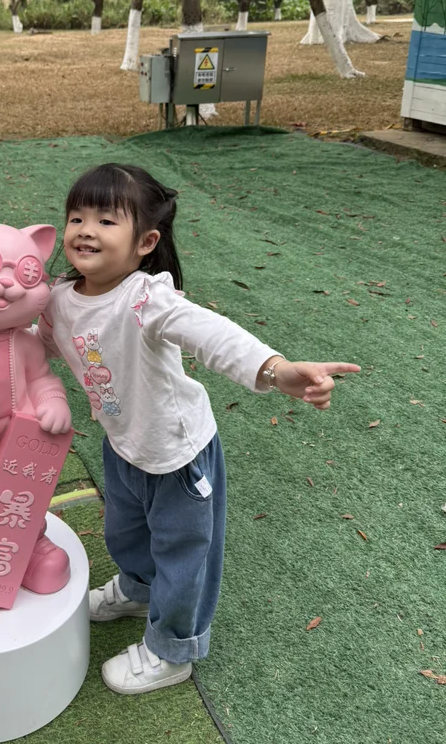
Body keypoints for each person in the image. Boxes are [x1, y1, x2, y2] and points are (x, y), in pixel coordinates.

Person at [37, 163, 360, 696]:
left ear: (145, 242)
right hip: (122, 443)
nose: (86, 230)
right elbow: (40, 343)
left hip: (177, 455)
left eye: (106, 220)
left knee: (183, 556)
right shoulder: (59, 299)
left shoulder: (146, 299)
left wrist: (276, 370)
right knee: (125, 532)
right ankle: (139, 590)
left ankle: (173, 650)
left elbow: (211, 334)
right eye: (77, 217)